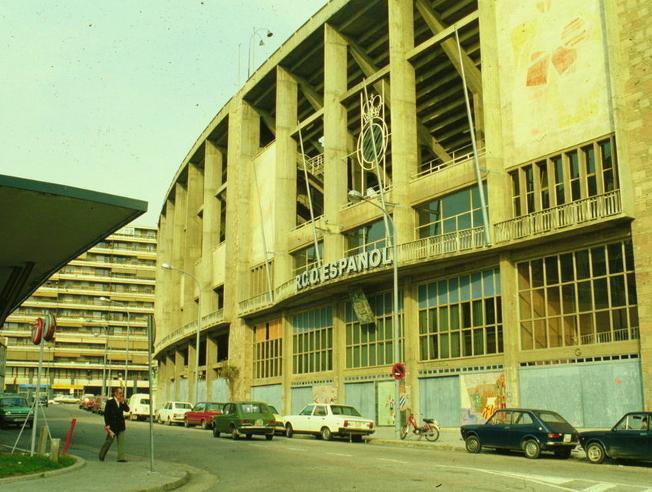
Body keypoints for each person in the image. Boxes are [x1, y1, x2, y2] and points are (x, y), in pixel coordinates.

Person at [99, 387, 130, 462]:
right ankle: (101, 455)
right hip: (112, 426)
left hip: (121, 425)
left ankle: (121, 458)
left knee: (121, 442)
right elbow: (106, 414)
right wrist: (107, 424)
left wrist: (123, 402)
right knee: (108, 442)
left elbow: (127, 409)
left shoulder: (121, 402)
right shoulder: (110, 402)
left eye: (122, 393)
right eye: (120, 393)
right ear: (115, 394)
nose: (121, 395)